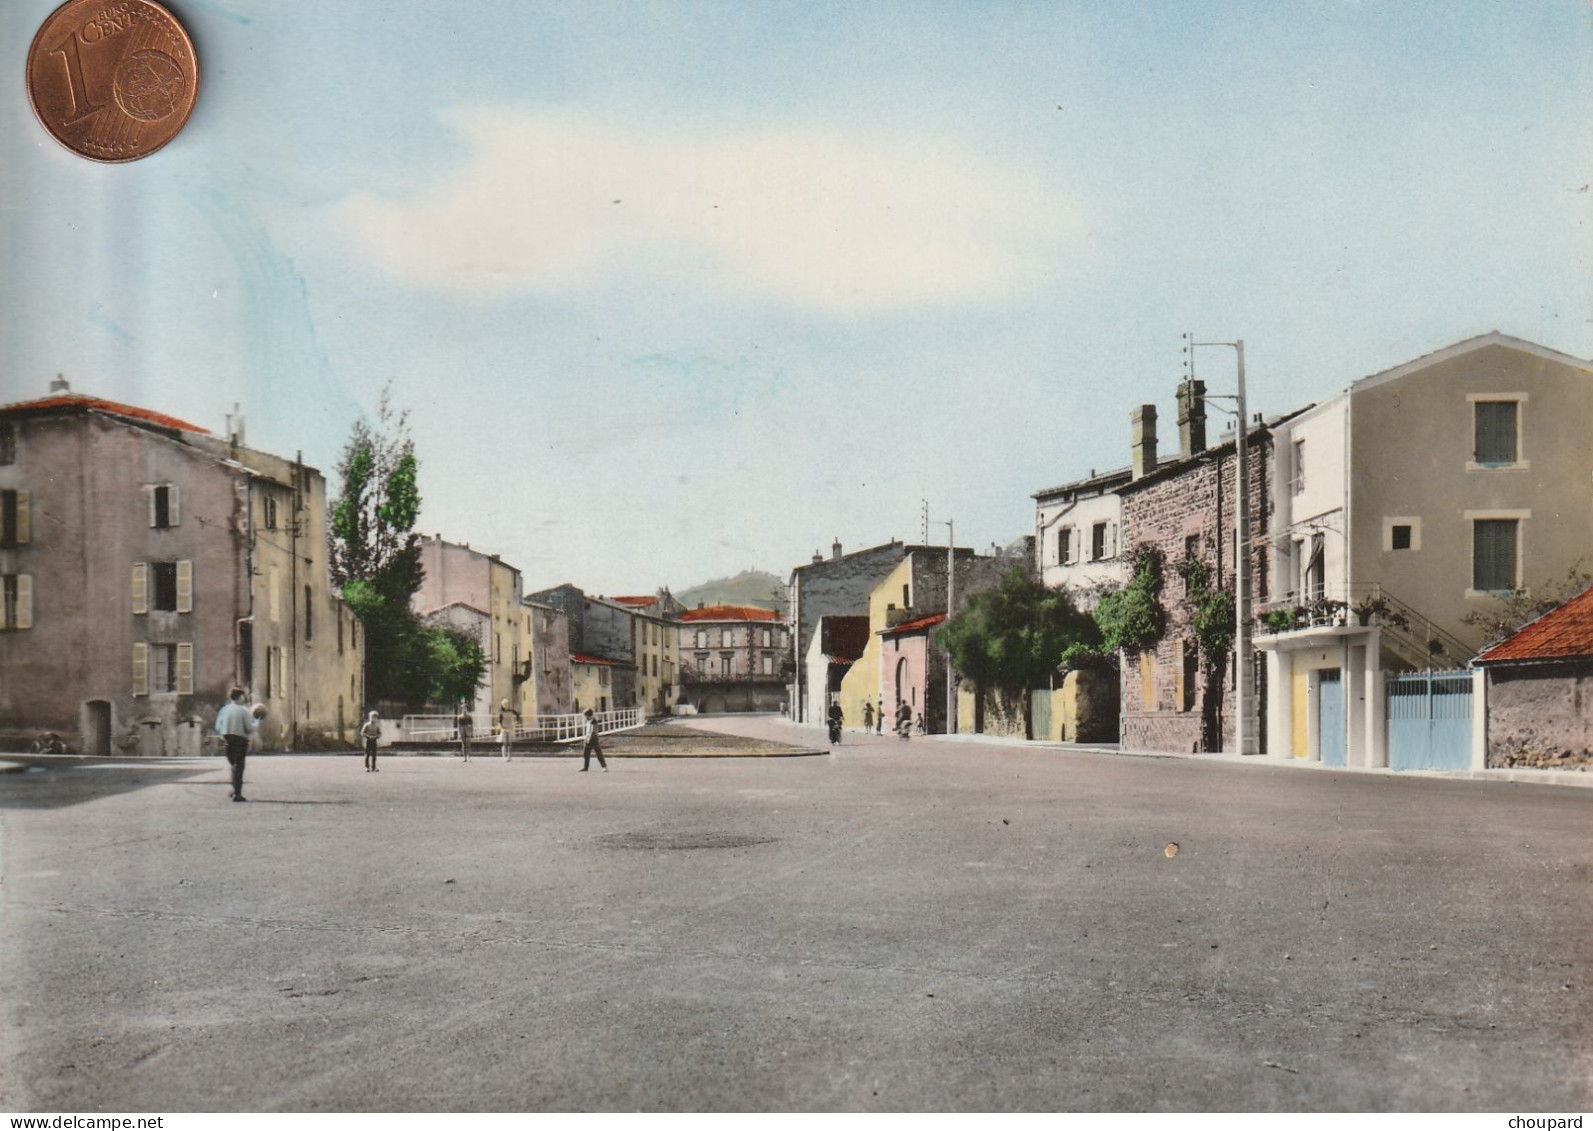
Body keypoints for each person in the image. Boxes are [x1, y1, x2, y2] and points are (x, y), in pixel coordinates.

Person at [213, 688, 257, 802]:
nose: (244, 698)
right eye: (243, 696)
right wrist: (257, 722)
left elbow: (218, 726)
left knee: (233, 765)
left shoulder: (224, 710)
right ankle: (237, 793)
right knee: (239, 767)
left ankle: (233, 789)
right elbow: (249, 728)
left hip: (227, 739)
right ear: (240, 697)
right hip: (240, 740)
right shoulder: (244, 710)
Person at [580, 707, 607, 772]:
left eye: (585, 715)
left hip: (593, 739)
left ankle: (604, 767)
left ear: (588, 715)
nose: (585, 717)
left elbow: (593, 731)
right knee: (586, 753)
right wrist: (586, 738)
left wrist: (589, 738)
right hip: (588, 738)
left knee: (598, 753)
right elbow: (588, 731)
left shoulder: (593, 721)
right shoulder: (588, 721)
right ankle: (585, 767)